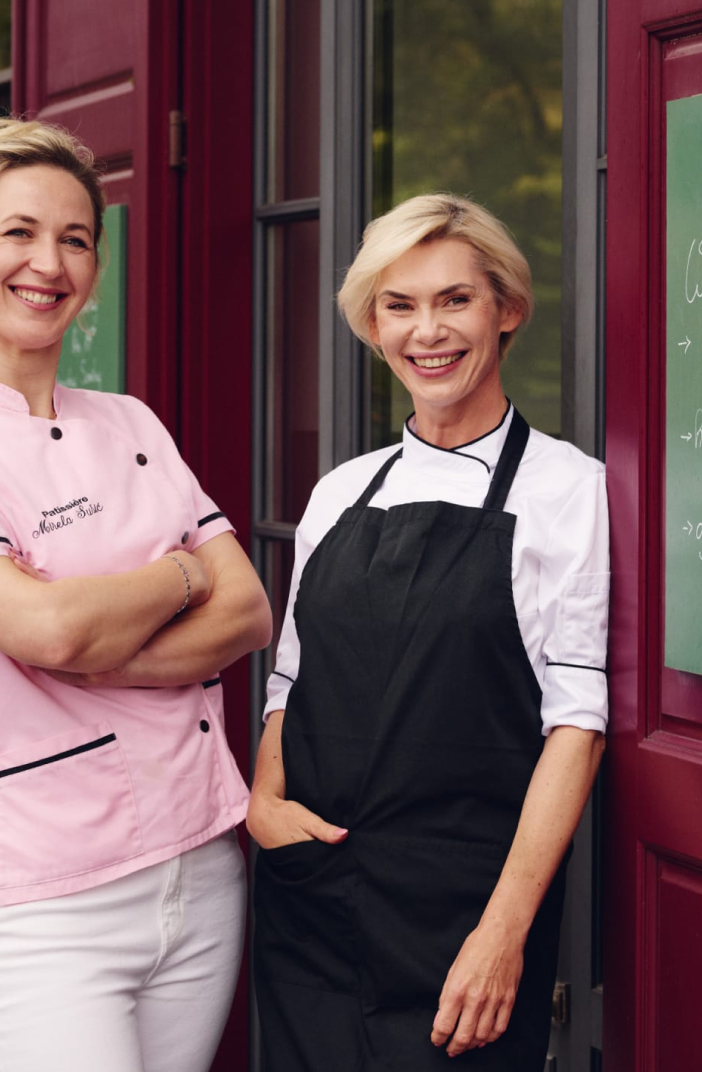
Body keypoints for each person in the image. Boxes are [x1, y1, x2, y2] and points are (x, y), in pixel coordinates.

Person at [0, 117, 272, 1072]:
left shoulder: (131, 420)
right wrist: (180, 576)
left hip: (202, 866)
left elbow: (247, 610)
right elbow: (47, 627)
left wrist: (108, 628)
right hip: (46, 900)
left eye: (76, 238)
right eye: (19, 231)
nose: (49, 262)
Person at [248, 193, 609, 1071]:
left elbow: (577, 723)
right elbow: (290, 679)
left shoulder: (571, 491)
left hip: (462, 921)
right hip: (313, 904)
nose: (427, 331)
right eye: (399, 305)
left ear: (507, 309)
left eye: (455, 299)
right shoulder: (341, 491)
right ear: (374, 326)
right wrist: (263, 802)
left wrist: (504, 932)